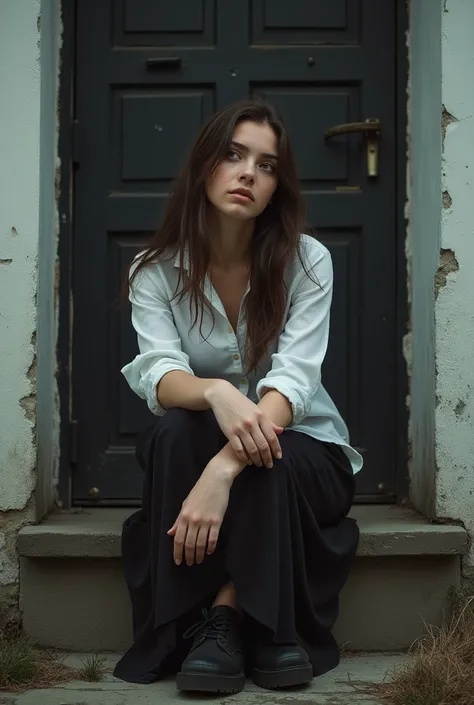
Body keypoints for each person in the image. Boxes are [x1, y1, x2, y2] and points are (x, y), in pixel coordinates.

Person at [113, 99, 362, 694]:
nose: (249, 173)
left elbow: (295, 381)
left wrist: (223, 469)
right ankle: (207, 622)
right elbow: (159, 376)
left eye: (267, 165)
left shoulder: (308, 261)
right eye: (233, 155)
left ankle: (237, 618)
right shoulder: (156, 272)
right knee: (174, 430)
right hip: (208, 442)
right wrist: (218, 391)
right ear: (205, 168)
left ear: (278, 188)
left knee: (265, 455)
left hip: (309, 455)